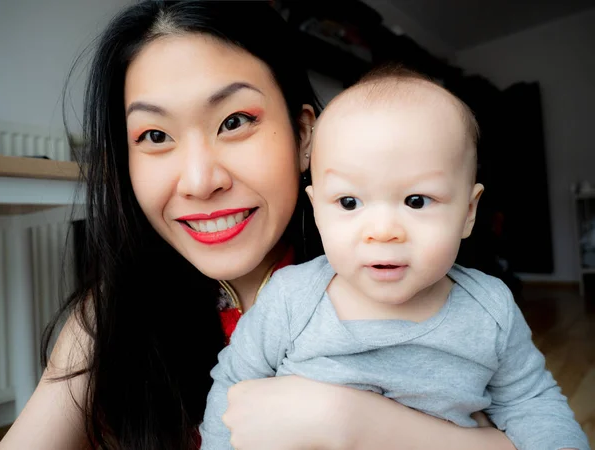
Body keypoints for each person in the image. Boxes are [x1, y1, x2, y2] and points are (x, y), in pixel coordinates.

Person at [0, 2, 518, 450]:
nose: (199, 181)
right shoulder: (110, 315)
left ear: (303, 135)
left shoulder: (419, 286)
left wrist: (354, 423)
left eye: (234, 121)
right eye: (155, 135)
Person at [200, 66, 589, 450]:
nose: (382, 230)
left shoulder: (490, 310)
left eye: (416, 201)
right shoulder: (290, 298)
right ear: (317, 210)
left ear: (468, 213)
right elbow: (234, 386)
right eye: (349, 202)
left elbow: (532, 403)